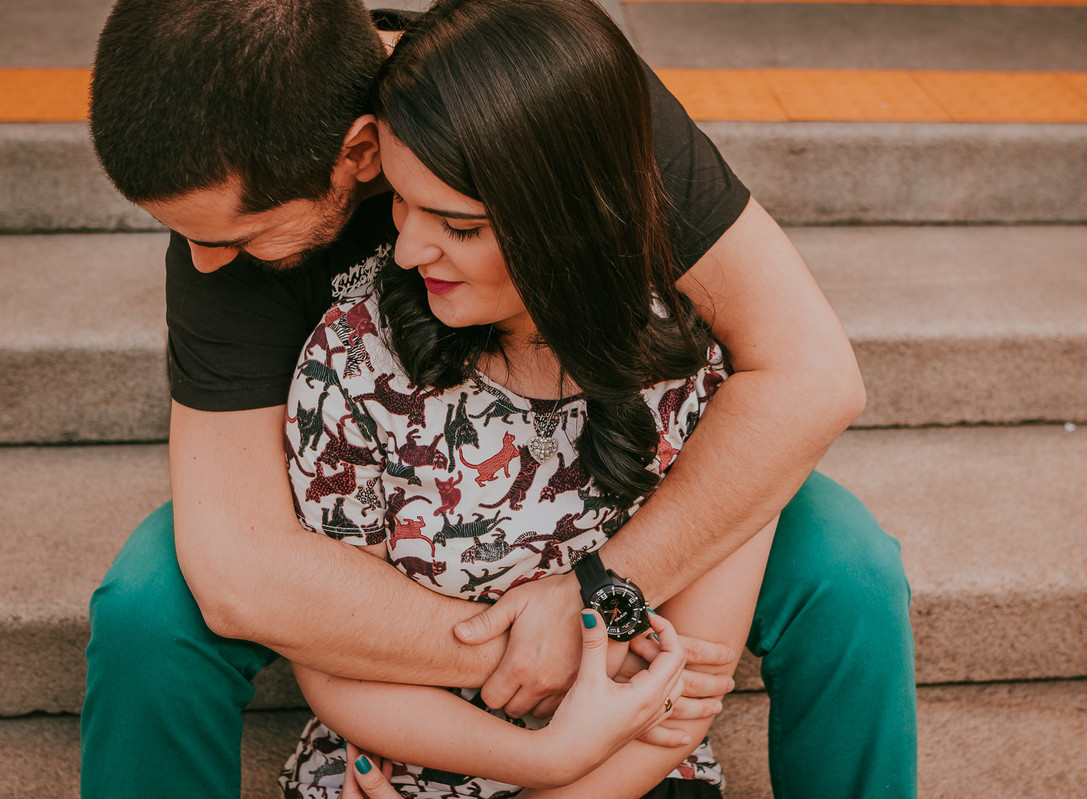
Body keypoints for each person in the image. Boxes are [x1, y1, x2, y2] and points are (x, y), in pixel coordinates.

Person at [83, 0, 917, 796]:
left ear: (362, 151)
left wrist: (597, 592)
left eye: (234, 237)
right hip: (369, 491)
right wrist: (555, 653)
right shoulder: (238, 229)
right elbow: (242, 567)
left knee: (847, 569)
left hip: (607, 464)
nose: (203, 266)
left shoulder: (549, 84)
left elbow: (808, 372)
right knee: (149, 609)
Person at [278, 1, 774, 794]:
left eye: (458, 225)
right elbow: (334, 664)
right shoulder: (353, 363)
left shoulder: (692, 366)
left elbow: (688, 686)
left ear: (570, 218)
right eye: (401, 202)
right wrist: (546, 751)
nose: (406, 248)